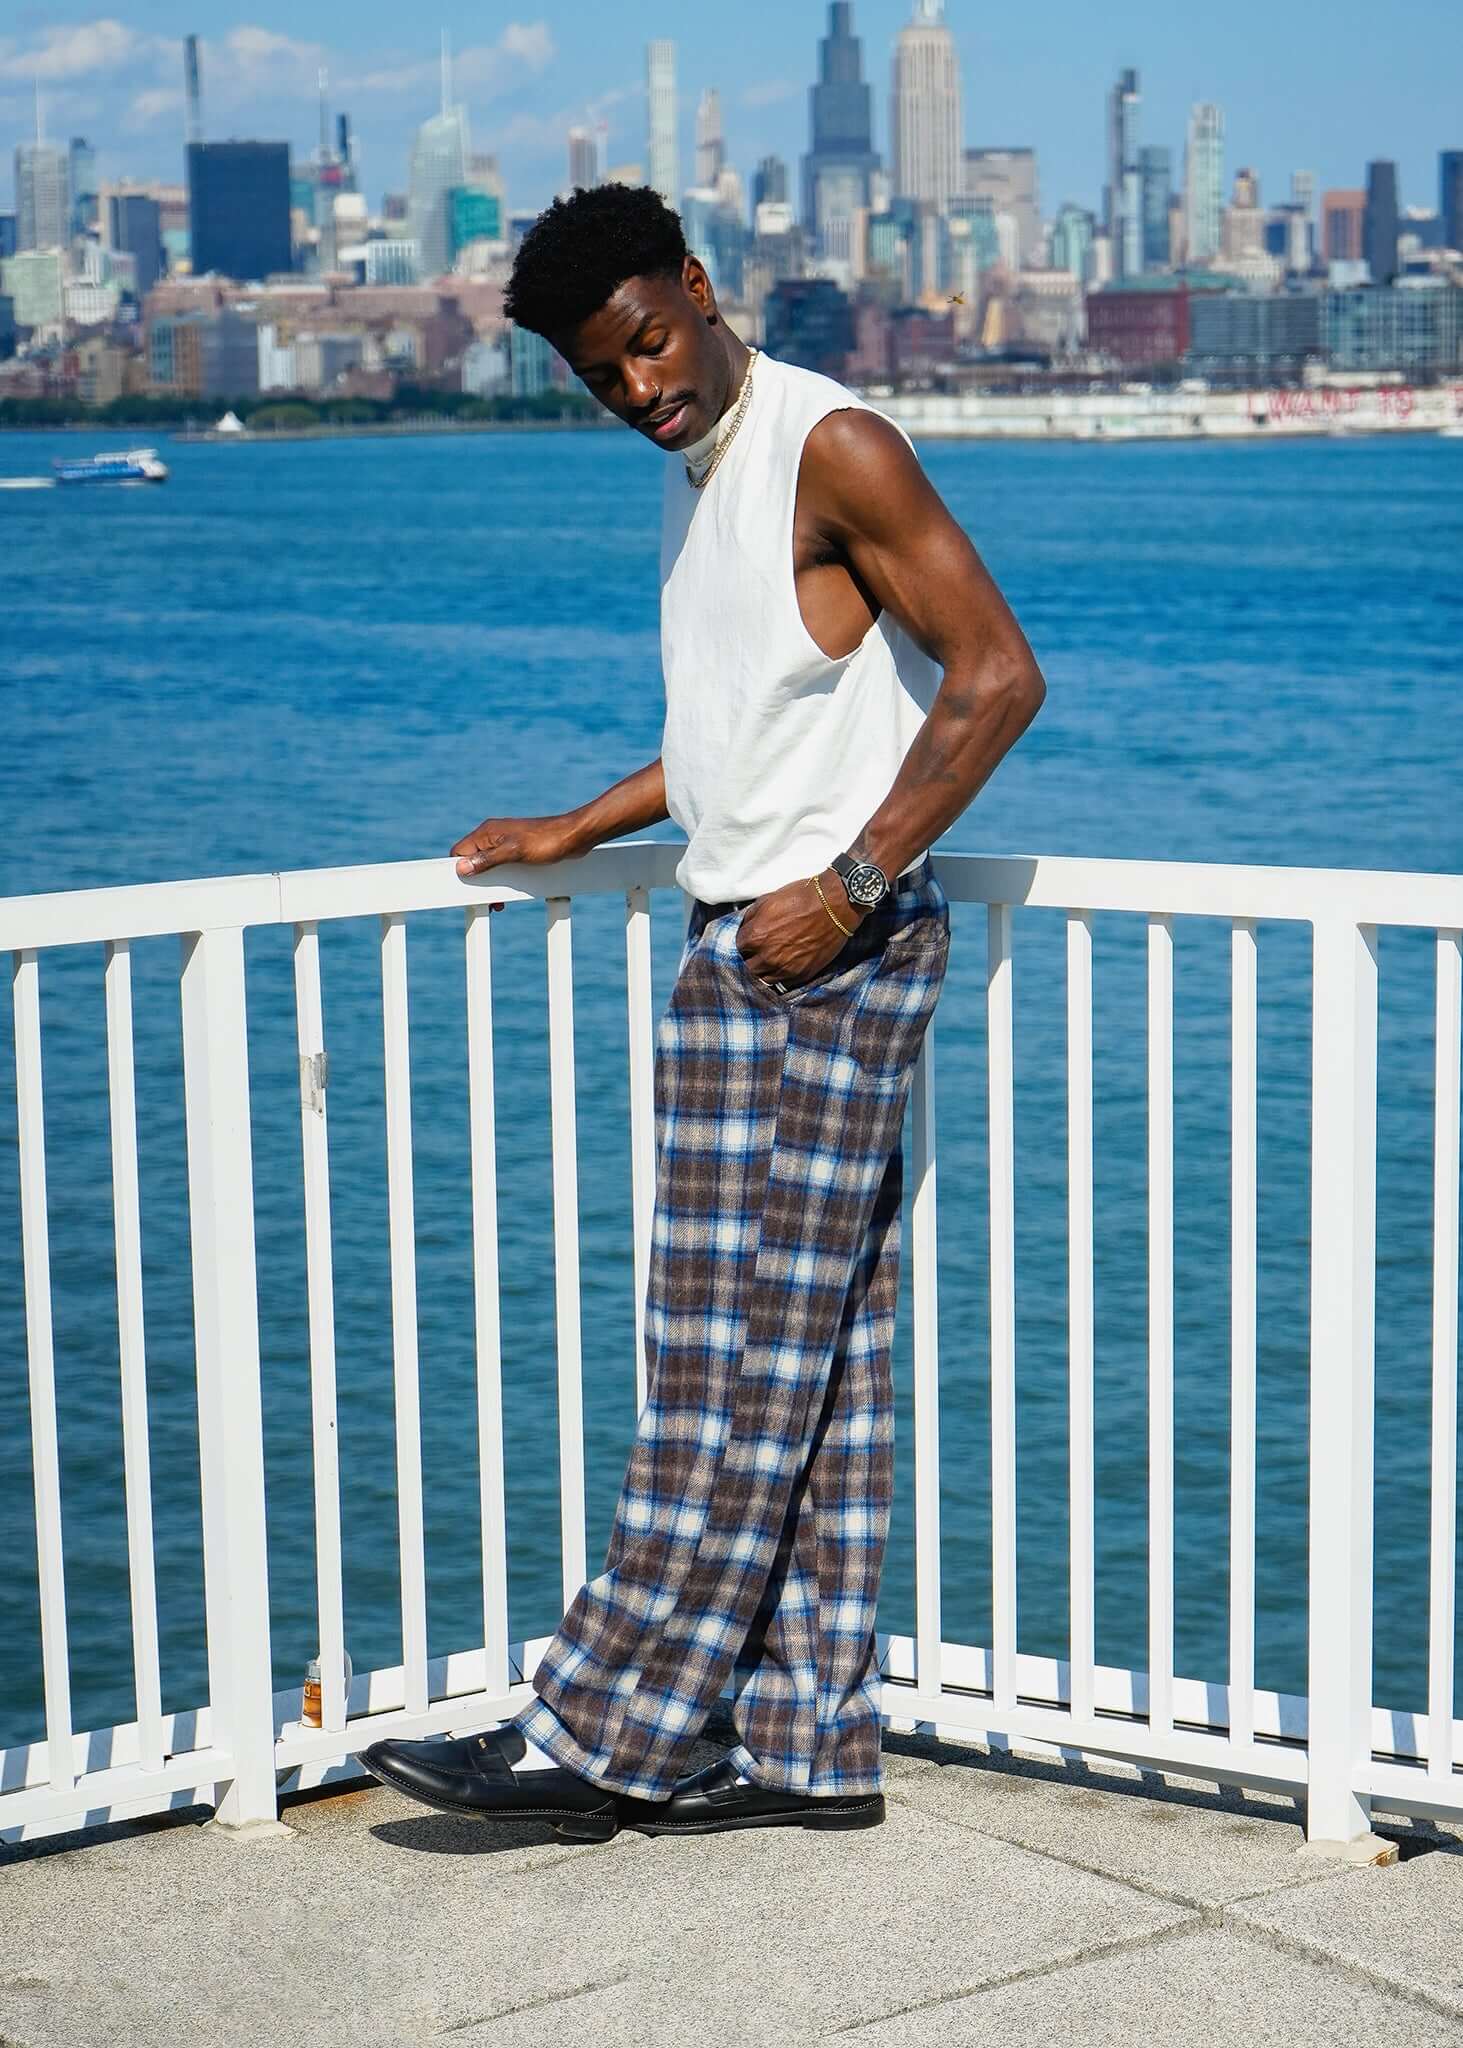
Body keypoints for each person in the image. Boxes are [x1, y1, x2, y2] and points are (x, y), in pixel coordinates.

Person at [360, 183, 1044, 1844]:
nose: (642, 387)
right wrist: (576, 830)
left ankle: (602, 1730)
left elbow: (999, 676)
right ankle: (805, 1742)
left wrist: (861, 884)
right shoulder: (706, 473)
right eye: (605, 375)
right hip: (745, 943)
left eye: (654, 342)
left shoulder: (835, 445)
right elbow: (744, 731)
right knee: (814, 1358)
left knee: (725, 1363)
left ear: (704, 287)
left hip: (835, 953)